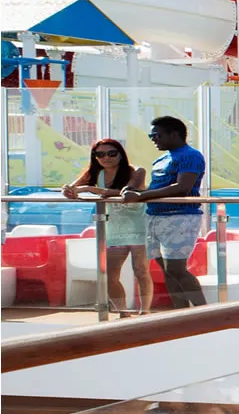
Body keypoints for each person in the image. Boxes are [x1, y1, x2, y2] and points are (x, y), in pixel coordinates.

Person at [62, 138, 154, 315]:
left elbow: (127, 192)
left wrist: (91, 189)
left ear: (121, 154)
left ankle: (145, 312)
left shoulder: (136, 171)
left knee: (141, 271)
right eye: (100, 154)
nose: (106, 158)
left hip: (139, 228)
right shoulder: (96, 173)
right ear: (95, 157)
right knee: (110, 275)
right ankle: (123, 312)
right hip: (113, 229)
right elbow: (71, 188)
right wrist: (69, 191)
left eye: (112, 153)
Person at [121, 117, 205, 308]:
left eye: (157, 135)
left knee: (176, 268)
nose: (154, 140)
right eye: (151, 136)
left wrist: (141, 196)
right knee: (167, 270)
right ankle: (181, 314)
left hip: (179, 216)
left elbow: (183, 187)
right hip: (154, 217)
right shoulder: (162, 159)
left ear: (174, 134)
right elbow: (157, 188)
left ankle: (205, 314)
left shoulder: (190, 155)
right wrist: (135, 191)